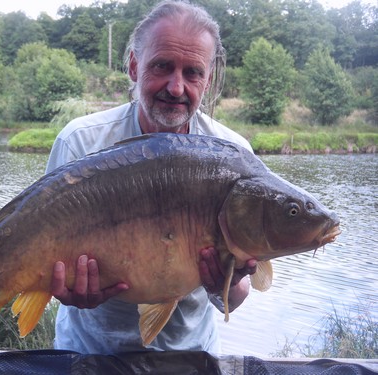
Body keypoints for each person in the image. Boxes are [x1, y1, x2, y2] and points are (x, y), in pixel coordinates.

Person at [45, 0, 257, 355]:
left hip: (191, 356)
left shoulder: (233, 156)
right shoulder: (80, 142)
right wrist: (64, 290)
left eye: (193, 73)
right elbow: (49, 260)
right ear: (133, 66)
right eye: (162, 66)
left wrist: (227, 284)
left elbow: (232, 302)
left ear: (207, 80)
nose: (176, 87)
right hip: (91, 354)